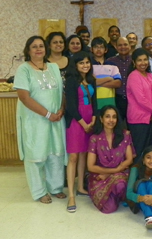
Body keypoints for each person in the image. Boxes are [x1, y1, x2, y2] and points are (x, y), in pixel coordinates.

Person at [15, 36, 66, 204]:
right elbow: (24, 97)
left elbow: (61, 92)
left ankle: (56, 187)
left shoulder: (53, 67)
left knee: (56, 153)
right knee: (36, 155)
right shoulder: (24, 69)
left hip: (56, 119)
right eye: (34, 47)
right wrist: (46, 114)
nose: (38, 49)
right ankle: (39, 192)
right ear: (28, 51)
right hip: (35, 120)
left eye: (41, 46)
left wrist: (60, 110)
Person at [64, 51, 98, 212]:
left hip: (89, 120)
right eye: (81, 63)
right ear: (75, 65)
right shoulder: (71, 81)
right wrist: (83, 123)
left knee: (84, 153)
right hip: (76, 121)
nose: (85, 65)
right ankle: (71, 194)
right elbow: (70, 106)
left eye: (87, 62)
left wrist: (94, 119)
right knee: (73, 156)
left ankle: (80, 187)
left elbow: (96, 102)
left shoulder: (91, 79)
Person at [87, 105, 134, 213]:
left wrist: (112, 173)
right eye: (107, 116)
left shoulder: (124, 135)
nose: (111, 120)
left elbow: (129, 159)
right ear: (101, 119)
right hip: (100, 177)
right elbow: (90, 166)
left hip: (121, 175)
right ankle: (120, 195)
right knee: (109, 209)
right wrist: (112, 171)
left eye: (114, 117)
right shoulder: (94, 139)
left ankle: (119, 193)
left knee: (120, 184)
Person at [127, 49, 152, 160]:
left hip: (150, 118)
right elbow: (141, 99)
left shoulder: (149, 75)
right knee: (139, 150)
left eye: (145, 59)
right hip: (138, 119)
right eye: (139, 60)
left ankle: (146, 176)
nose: (143, 63)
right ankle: (135, 177)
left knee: (148, 151)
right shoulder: (134, 76)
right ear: (134, 62)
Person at [126, 146, 152, 229]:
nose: (151, 161)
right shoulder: (135, 169)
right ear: (143, 160)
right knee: (141, 184)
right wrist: (143, 198)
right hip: (137, 199)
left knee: (151, 184)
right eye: (148, 158)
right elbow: (129, 193)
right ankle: (149, 218)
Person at [90, 36, 122, 109]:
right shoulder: (88, 65)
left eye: (101, 47)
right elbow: (90, 83)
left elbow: (118, 83)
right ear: (91, 49)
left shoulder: (112, 65)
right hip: (93, 103)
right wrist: (108, 78)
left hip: (109, 103)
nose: (98, 49)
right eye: (96, 47)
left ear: (106, 50)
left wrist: (98, 82)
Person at [108, 37, 132, 121]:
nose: (123, 47)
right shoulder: (110, 62)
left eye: (125, 44)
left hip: (133, 100)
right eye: (120, 45)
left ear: (130, 46)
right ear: (116, 47)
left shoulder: (135, 61)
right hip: (116, 99)